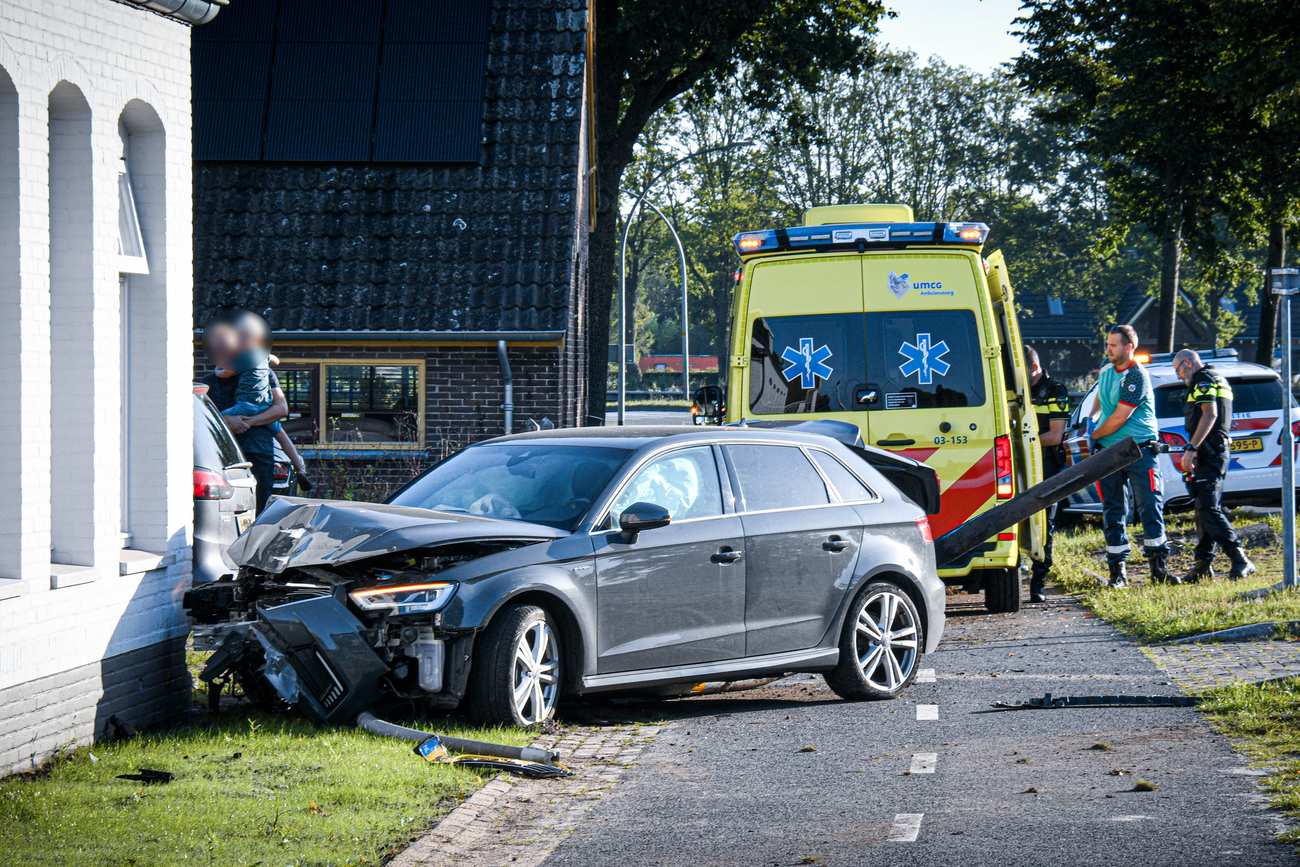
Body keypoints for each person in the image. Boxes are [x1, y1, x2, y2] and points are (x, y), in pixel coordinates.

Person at [201, 313, 309, 512]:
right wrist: (227, 422)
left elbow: (281, 408)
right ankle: (300, 464)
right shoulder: (206, 384)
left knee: (262, 508)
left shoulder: (264, 372)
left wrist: (249, 422)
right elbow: (200, 420)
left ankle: (299, 465)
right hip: (222, 457)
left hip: (259, 450)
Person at [1090, 325, 1170, 587]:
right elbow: (1100, 400)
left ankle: (1158, 569)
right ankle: (1118, 573)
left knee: (1149, 505)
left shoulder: (1136, 375)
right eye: (1108, 344)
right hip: (1109, 452)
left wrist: (1094, 435)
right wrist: (1090, 422)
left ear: (1129, 347)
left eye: (1114, 345)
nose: (1108, 349)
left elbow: (1120, 417)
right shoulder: (1106, 370)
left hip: (1139, 449)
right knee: (1113, 509)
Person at [1172, 349, 1255, 582]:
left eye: (1177, 369)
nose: (1178, 376)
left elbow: (1209, 415)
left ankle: (1239, 558)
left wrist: (1191, 448)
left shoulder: (1203, 380)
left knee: (1208, 507)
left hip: (1209, 452)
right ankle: (1202, 565)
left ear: (1187, 363)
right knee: (1202, 506)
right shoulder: (1217, 377)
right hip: (1212, 451)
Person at [1025, 345, 1071, 602]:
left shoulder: (1055, 391)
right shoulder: (1017, 388)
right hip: (1019, 463)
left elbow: (1054, 436)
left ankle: (1038, 581)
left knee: (1045, 524)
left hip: (1047, 464)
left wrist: (1022, 442)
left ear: (1034, 367)